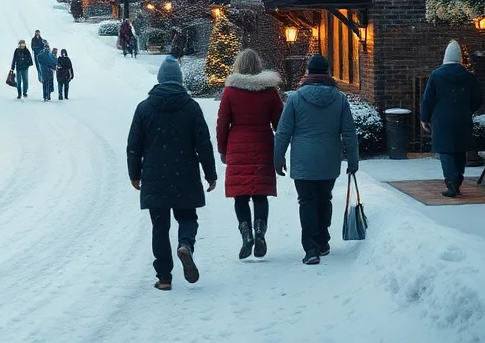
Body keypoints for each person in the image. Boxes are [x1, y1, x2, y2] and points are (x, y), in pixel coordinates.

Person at [127, 56, 218, 291]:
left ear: (159, 80)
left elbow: (134, 145)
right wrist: (210, 174)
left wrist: (134, 174)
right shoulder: (191, 107)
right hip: (185, 173)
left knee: (160, 226)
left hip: (155, 176)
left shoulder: (144, 108)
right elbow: (203, 144)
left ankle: (164, 277)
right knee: (187, 218)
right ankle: (185, 244)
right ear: (180, 80)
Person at [273, 53, 359, 265]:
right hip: (329, 159)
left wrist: (278, 158)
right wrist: (353, 160)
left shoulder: (294, 99)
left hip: (303, 160)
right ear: (328, 73)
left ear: (308, 72)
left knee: (307, 202)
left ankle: (310, 248)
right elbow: (348, 132)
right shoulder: (340, 99)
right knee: (324, 199)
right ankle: (323, 241)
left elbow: (283, 132)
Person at [215, 49, 283, 260]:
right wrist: (279, 151)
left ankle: (246, 233)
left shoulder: (230, 92)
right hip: (263, 144)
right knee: (260, 194)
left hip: (238, 145)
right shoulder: (270, 91)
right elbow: (280, 123)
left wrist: (223, 149)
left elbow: (222, 123)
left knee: (241, 195)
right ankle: (260, 231)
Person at [420, 40, 484, 198]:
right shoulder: (469, 76)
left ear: (445, 57)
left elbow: (428, 99)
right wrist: (467, 109)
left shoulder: (436, 75)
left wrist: (424, 118)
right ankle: (458, 180)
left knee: (445, 151)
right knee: (460, 151)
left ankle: (451, 182)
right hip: (462, 118)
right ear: (459, 58)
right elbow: (478, 98)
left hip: (442, 120)